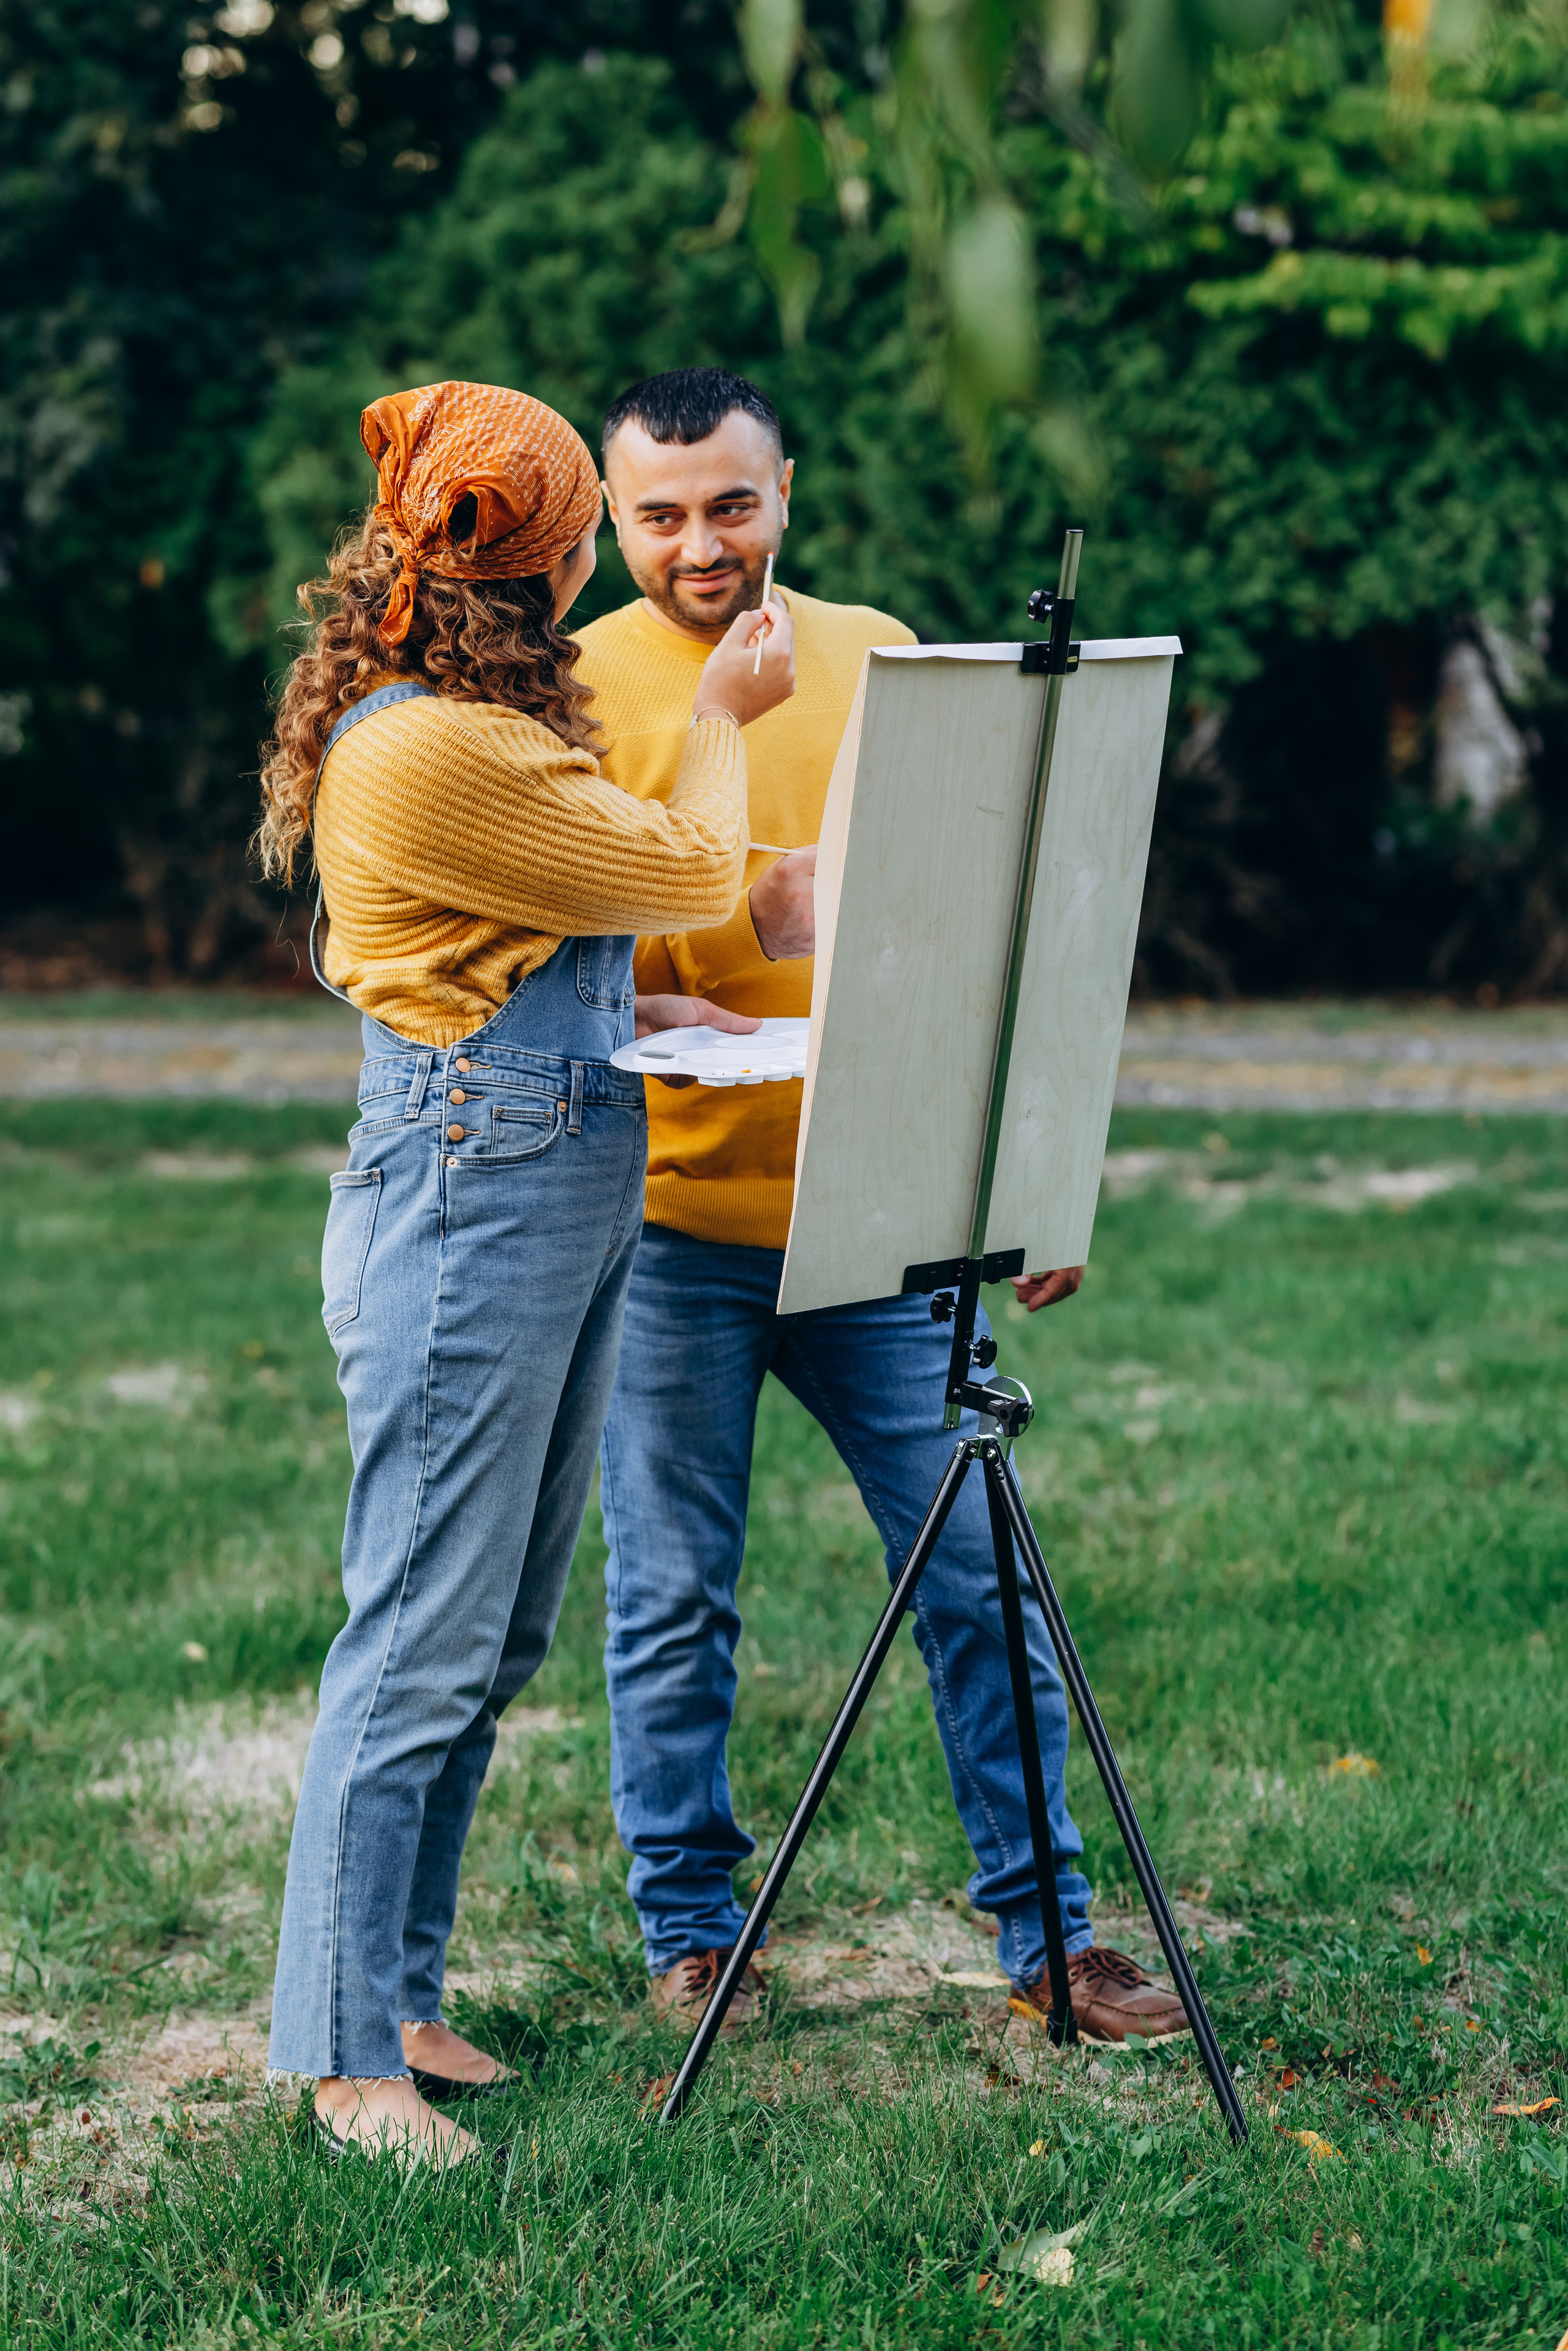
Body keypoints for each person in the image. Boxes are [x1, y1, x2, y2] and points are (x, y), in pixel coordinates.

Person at [573, 368, 1189, 2047]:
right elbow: (549, 951)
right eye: (661, 512)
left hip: (876, 1218)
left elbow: (966, 923)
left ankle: (1051, 1939)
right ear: (614, 518)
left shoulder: (884, 652)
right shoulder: (566, 684)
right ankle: (694, 1935)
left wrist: (1025, 1174)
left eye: (732, 503)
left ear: (788, 492)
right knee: (675, 1594)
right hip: (668, 1231)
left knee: (983, 1568)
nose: (701, 541)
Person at [254, 379, 796, 2165]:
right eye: (588, 537)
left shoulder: (475, 722)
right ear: (549, 554)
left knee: (492, 1631)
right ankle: (343, 2061)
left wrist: (654, 1007)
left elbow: (521, 950)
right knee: (415, 1633)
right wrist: (718, 712)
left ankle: (399, 1994)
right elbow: (690, 860)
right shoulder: (428, 747)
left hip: (548, 1170)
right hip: (471, 1192)